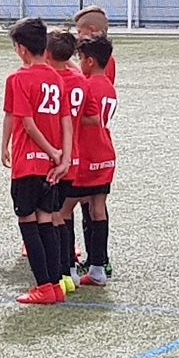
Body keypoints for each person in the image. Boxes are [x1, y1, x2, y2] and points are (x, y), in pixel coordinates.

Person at [2, 18, 72, 305]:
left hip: (28, 162)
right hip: (50, 165)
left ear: (21, 49)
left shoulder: (18, 79)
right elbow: (66, 121)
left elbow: (27, 124)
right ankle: (55, 284)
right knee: (46, 218)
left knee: (27, 219)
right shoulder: (57, 77)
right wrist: (63, 157)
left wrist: (51, 152)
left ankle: (43, 286)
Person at [63, 35, 117, 288]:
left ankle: (68, 269)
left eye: (81, 58)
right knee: (97, 209)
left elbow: (82, 116)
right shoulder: (108, 85)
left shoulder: (87, 86)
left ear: (90, 61)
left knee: (63, 210)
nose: (79, 63)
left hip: (86, 155)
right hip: (105, 155)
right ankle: (97, 268)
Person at [46, 28, 87, 292]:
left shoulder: (50, 81)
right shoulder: (80, 80)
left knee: (52, 216)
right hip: (75, 154)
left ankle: (59, 273)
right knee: (63, 213)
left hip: (53, 155)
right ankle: (68, 270)